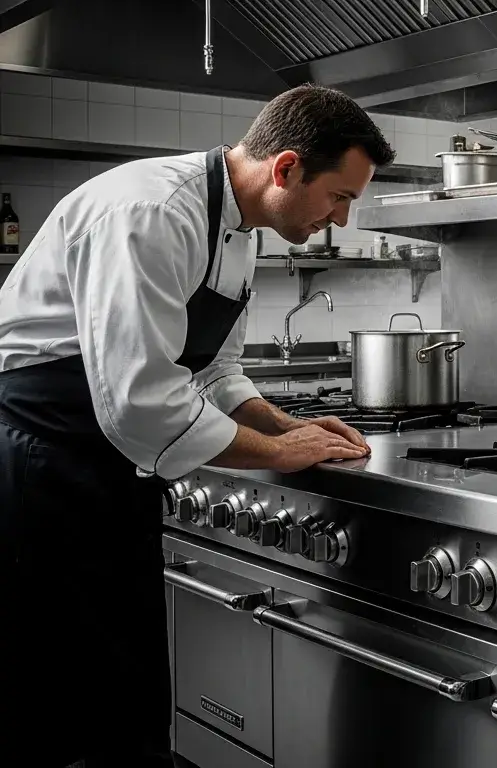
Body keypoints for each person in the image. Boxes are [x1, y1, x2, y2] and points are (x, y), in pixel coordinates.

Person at [0, 84, 395, 767]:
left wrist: (285, 421)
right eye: (341, 197)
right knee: (56, 697)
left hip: (110, 465)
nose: (340, 219)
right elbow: (140, 400)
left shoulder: (237, 230)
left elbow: (212, 370)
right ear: (287, 169)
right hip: (43, 456)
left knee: (126, 687)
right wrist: (275, 450)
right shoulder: (152, 212)